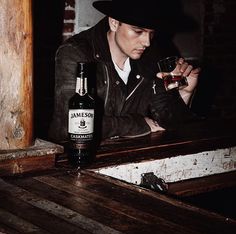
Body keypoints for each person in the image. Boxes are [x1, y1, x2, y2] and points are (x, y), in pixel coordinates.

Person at [49, 0, 201, 143]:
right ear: (114, 23)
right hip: (73, 157)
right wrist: (138, 124)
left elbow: (165, 122)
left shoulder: (151, 56)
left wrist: (185, 93)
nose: (147, 42)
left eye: (151, 33)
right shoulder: (75, 53)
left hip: (126, 155)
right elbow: (70, 124)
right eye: (138, 31)